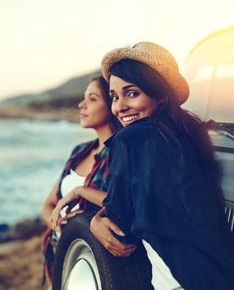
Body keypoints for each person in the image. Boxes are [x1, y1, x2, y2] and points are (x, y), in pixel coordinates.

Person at [90, 42, 234, 290]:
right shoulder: (191, 135)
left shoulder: (131, 140)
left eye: (132, 93)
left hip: (179, 281)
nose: (120, 107)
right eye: (114, 96)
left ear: (160, 96)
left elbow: (119, 230)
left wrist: (93, 220)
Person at [41, 75, 119, 290]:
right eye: (84, 98)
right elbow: (48, 205)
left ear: (112, 103)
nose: (81, 105)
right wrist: (58, 224)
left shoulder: (120, 154)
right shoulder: (80, 151)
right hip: (59, 254)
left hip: (95, 266)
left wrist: (80, 191)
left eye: (92, 99)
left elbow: (125, 204)